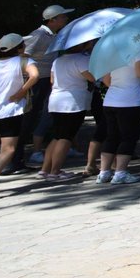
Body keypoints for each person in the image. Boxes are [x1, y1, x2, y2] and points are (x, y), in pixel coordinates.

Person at [17, 4, 72, 169]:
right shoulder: (39, 35)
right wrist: (28, 75)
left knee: (43, 115)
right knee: (29, 117)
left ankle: (34, 153)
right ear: (52, 20)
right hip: (37, 80)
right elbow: (23, 54)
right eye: (62, 16)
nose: (65, 19)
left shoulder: (51, 35)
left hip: (45, 79)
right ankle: (20, 157)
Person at [0, 34, 39, 199]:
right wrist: (21, 92)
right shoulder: (24, 61)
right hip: (11, 111)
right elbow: (35, 76)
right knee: (8, 148)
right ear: (19, 48)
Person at [40, 39, 97, 183]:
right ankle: (55, 171)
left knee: (57, 135)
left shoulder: (57, 61)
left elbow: (52, 80)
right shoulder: (81, 60)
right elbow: (91, 77)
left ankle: (45, 169)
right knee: (66, 137)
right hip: (72, 102)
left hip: (56, 100)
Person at [97, 40, 140, 184]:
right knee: (128, 137)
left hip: (111, 99)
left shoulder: (111, 53)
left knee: (111, 136)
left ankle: (104, 172)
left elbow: (106, 80)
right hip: (130, 100)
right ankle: (120, 172)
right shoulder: (139, 51)